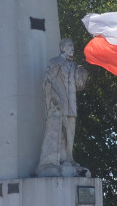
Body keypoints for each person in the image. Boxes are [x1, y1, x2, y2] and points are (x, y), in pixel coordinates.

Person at [36, 39, 88, 176]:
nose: (72, 48)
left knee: (70, 131)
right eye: (70, 46)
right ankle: (56, 160)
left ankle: (69, 158)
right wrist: (54, 98)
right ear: (62, 48)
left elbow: (78, 86)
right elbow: (48, 81)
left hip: (71, 104)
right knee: (60, 130)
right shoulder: (55, 63)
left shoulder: (74, 65)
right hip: (60, 103)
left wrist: (82, 74)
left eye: (73, 46)